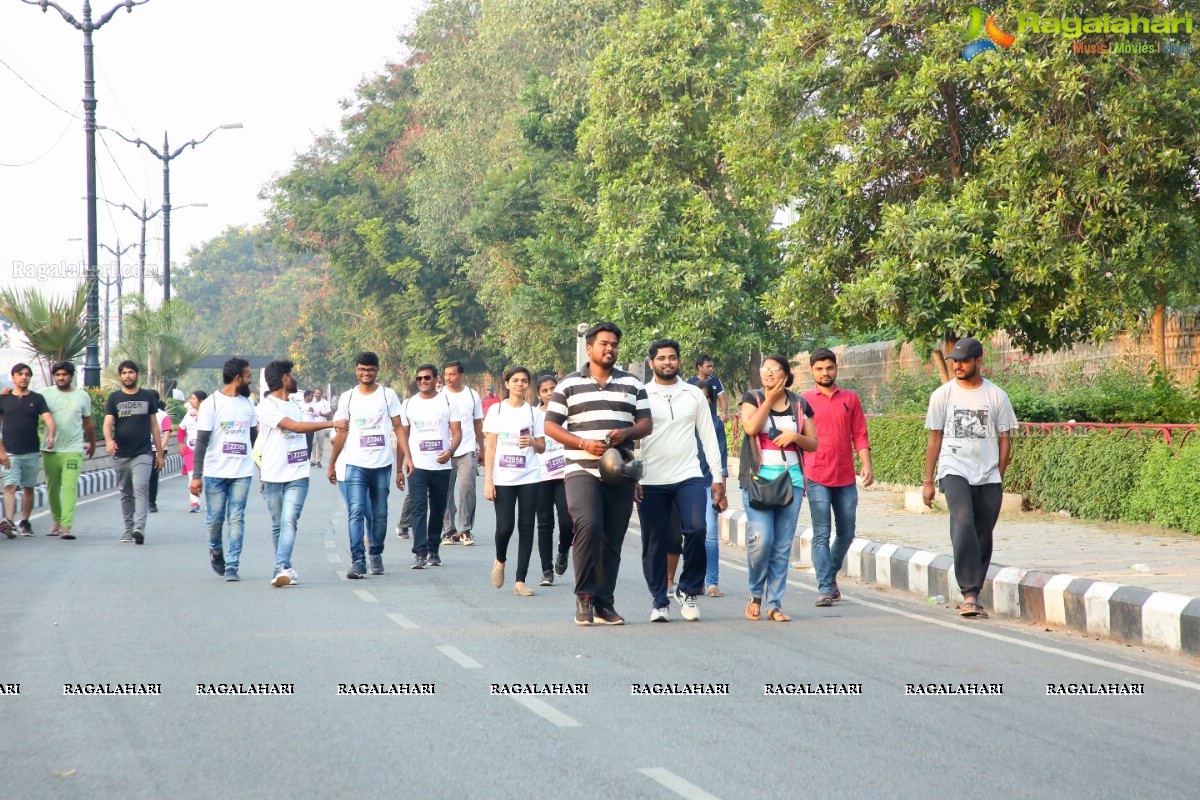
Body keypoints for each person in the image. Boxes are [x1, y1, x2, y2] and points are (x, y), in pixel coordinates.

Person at [544, 321, 653, 626]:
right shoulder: (568, 385)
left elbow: (646, 423)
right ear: (589, 348)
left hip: (620, 471)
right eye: (604, 344)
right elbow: (550, 426)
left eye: (614, 344)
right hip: (581, 469)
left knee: (612, 538)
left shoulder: (633, 384)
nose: (610, 349)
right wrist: (582, 443)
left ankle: (605, 602)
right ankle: (584, 597)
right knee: (589, 526)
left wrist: (627, 432)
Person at [922, 337, 1017, 619]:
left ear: (979, 361)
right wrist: (928, 481)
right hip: (954, 469)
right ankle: (970, 593)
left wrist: (998, 475)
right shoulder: (942, 395)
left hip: (988, 474)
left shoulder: (996, 396)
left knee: (983, 533)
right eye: (955, 361)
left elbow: (1005, 439)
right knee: (963, 522)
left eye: (964, 360)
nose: (958, 366)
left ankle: (974, 587)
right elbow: (934, 438)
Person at [637, 340, 724, 623]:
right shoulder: (641, 394)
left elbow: (708, 436)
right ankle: (659, 600)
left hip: (689, 475)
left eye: (672, 357)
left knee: (698, 528)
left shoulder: (693, 394)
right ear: (651, 363)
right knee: (655, 541)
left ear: (679, 361)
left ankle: (687, 590)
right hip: (651, 479)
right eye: (661, 358)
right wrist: (630, 477)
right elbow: (629, 437)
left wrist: (718, 476)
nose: (667, 362)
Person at [739, 354, 818, 622]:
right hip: (758, 481)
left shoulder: (800, 404)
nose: (769, 374)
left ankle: (774, 603)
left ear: (786, 374)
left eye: (775, 370)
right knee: (762, 540)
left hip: (791, 481)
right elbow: (750, 427)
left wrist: (795, 436)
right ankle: (755, 594)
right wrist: (770, 399)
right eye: (765, 370)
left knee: (783, 545)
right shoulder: (752, 398)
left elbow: (814, 443)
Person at [258, 359, 340, 587]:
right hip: (273, 474)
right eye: (292, 374)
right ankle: (284, 566)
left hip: (298, 473)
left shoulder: (294, 404)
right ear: (285, 378)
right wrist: (331, 423)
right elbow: (293, 427)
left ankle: (280, 567)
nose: (295, 378)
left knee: (289, 521)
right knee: (278, 524)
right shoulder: (267, 406)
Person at [802, 348, 873, 607]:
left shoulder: (851, 399)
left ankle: (829, 576)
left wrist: (867, 465)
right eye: (819, 369)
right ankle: (824, 588)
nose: (825, 373)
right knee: (821, 534)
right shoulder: (803, 401)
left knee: (846, 533)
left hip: (845, 477)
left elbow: (860, 434)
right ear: (811, 371)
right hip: (816, 474)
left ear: (836, 369)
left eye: (829, 368)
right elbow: (797, 440)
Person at [327, 351, 405, 579]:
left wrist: (404, 461)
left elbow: (399, 428)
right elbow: (341, 431)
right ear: (356, 370)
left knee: (379, 514)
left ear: (377, 371)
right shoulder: (347, 398)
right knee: (356, 511)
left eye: (370, 369)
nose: (366, 373)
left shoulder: (388, 395)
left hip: (382, 465)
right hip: (355, 465)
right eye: (362, 369)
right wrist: (332, 463)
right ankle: (358, 560)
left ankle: (376, 554)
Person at [191, 358, 257, 578]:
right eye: (248, 376)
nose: (250, 379)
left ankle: (233, 566)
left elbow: (253, 437)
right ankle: (216, 550)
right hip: (215, 472)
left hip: (242, 473)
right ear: (238, 378)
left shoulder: (248, 404)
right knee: (214, 519)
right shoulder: (212, 403)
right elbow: (201, 441)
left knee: (237, 518)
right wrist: (196, 476)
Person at [483, 366, 546, 596]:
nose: (520, 384)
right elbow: (490, 448)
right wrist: (488, 480)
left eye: (524, 381)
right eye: (515, 380)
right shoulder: (496, 412)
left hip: (529, 476)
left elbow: (542, 447)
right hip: (503, 478)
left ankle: (520, 580)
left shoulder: (535, 414)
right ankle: (500, 560)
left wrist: (531, 442)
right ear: (507, 384)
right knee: (505, 526)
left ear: (529, 385)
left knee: (527, 526)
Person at [397, 364, 461, 570]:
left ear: (436, 379)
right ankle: (420, 552)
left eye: (427, 378)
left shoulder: (448, 402)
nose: (423, 382)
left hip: (441, 466)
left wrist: (450, 451)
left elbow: (457, 432)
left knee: (438, 508)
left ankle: (434, 548)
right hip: (417, 465)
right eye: (419, 379)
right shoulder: (408, 404)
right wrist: (403, 462)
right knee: (418, 507)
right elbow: (403, 435)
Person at [103, 360, 162, 545]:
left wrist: (159, 453)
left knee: (141, 487)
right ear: (120, 376)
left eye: (131, 372)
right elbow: (107, 423)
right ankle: (128, 529)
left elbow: (154, 425)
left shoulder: (147, 397)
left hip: (143, 453)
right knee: (126, 492)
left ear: (137, 375)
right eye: (124, 373)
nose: (127, 375)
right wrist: (109, 440)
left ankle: (139, 527)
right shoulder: (115, 398)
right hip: (122, 454)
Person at [39, 362, 94, 540]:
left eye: (64, 375)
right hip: (50, 449)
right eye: (58, 375)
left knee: (69, 486)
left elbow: (88, 422)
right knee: (53, 488)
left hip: (73, 449)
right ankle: (56, 521)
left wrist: (92, 442)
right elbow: (26, 403)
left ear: (71, 376)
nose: (61, 378)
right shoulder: (45, 394)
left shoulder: (82, 396)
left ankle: (66, 526)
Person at [0, 363, 55, 536]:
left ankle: (25, 521)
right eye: (20, 374)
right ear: (13, 377)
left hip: (31, 451)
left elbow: (49, 419)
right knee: (10, 486)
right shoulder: (4, 399)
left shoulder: (37, 399)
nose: (24, 377)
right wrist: (1, 452)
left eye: (27, 374)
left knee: (29, 487)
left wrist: (51, 434)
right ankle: (9, 522)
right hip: (9, 452)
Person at [684, 377, 726, 596]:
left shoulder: (716, 424)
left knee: (709, 532)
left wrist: (723, 490)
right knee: (691, 533)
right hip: (686, 483)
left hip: (710, 483)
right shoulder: (682, 423)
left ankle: (712, 582)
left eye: (706, 397)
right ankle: (693, 579)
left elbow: (722, 457)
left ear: (710, 400)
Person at [440, 360, 484, 546]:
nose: (448, 378)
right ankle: (449, 530)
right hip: (444, 451)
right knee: (445, 491)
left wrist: (481, 447)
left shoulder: (472, 395)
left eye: (452, 374)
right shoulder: (440, 395)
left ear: (461, 375)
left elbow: (477, 423)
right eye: (446, 374)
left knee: (468, 488)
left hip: (466, 449)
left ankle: (465, 529)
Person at [534, 375, 573, 585]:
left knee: (568, 522)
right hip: (541, 476)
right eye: (545, 390)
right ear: (539, 394)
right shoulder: (534, 415)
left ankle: (563, 549)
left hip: (566, 474)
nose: (549, 393)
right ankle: (546, 570)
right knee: (544, 524)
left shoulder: (569, 414)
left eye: (552, 389)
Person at [695, 354, 729, 477]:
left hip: (711, 423)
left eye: (711, 366)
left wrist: (724, 413)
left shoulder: (716, 381)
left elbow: (722, 399)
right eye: (708, 366)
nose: (711, 369)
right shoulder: (690, 383)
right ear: (699, 367)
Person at [177, 391, 207, 512]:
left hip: (207, 450)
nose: (190, 401)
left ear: (201, 401)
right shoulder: (188, 415)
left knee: (208, 477)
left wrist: (200, 415)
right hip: (190, 450)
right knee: (192, 476)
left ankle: (211, 503)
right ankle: (194, 503)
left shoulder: (209, 414)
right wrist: (181, 445)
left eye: (193, 399)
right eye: (190, 398)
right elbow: (180, 429)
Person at [147, 400, 172, 513]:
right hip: (143, 449)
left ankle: (151, 502)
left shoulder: (163, 415)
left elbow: (166, 434)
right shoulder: (142, 413)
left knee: (153, 477)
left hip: (156, 451)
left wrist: (159, 451)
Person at [308, 388, 332, 467]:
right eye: (316, 393)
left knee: (320, 444)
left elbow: (329, 413)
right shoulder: (311, 402)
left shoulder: (325, 403)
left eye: (319, 394)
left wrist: (322, 414)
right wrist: (310, 410)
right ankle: (313, 460)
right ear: (314, 394)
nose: (318, 395)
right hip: (312, 425)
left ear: (321, 394)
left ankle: (318, 460)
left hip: (322, 425)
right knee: (313, 442)